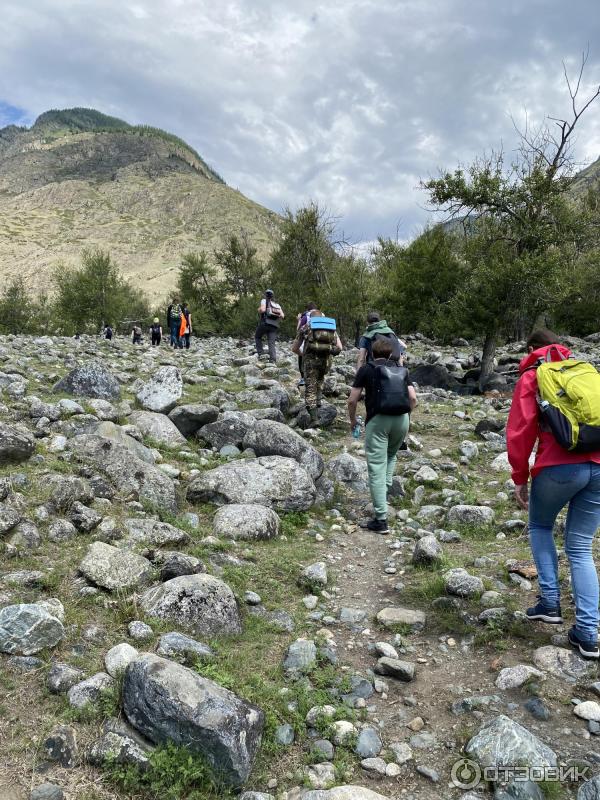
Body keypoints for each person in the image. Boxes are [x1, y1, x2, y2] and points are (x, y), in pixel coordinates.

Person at [507, 328, 600, 659]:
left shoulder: (533, 376)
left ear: (532, 348)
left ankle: (549, 603)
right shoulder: (585, 370)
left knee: (540, 526)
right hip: (599, 465)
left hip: (557, 467)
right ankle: (587, 634)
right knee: (580, 546)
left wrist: (519, 476)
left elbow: (520, 432)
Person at [348, 337, 416, 533]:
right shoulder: (402, 370)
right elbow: (412, 398)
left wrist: (353, 421)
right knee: (390, 456)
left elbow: (353, 400)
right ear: (391, 353)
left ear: (372, 352)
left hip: (378, 420)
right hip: (402, 419)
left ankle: (381, 519)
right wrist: (406, 418)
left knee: (376, 466)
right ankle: (383, 495)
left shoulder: (367, 369)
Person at [294, 308, 342, 424]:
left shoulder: (306, 327)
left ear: (311, 318)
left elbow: (295, 348)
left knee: (310, 388)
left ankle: (314, 419)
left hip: (310, 363)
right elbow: (339, 347)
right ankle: (319, 403)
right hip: (325, 362)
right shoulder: (331, 329)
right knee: (320, 380)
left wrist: (304, 354)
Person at [255, 289, 284, 363]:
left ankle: (261, 353)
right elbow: (282, 316)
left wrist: (259, 309)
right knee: (271, 342)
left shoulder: (264, 301)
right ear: (272, 296)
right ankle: (273, 359)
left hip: (265, 323)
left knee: (257, 336)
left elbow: (263, 310)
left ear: (266, 295)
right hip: (274, 325)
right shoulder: (277, 305)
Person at [296, 302, 318, 386]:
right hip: (323, 346)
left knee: (301, 355)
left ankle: (303, 378)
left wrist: (299, 320)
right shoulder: (323, 316)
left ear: (308, 309)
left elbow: (298, 330)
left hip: (308, 345)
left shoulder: (306, 317)